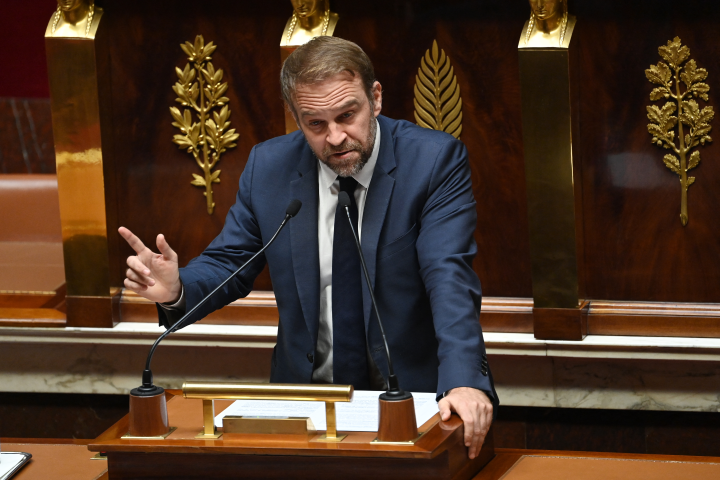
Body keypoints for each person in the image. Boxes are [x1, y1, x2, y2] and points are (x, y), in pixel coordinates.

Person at [119, 36, 497, 459]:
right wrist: (177, 288)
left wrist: (464, 380)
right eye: (315, 124)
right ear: (296, 119)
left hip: (417, 401)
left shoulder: (432, 162)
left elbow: (449, 275)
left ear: (375, 98)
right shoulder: (270, 166)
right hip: (306, 409)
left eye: (347, 115)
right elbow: (231, 261)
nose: (335, 137)